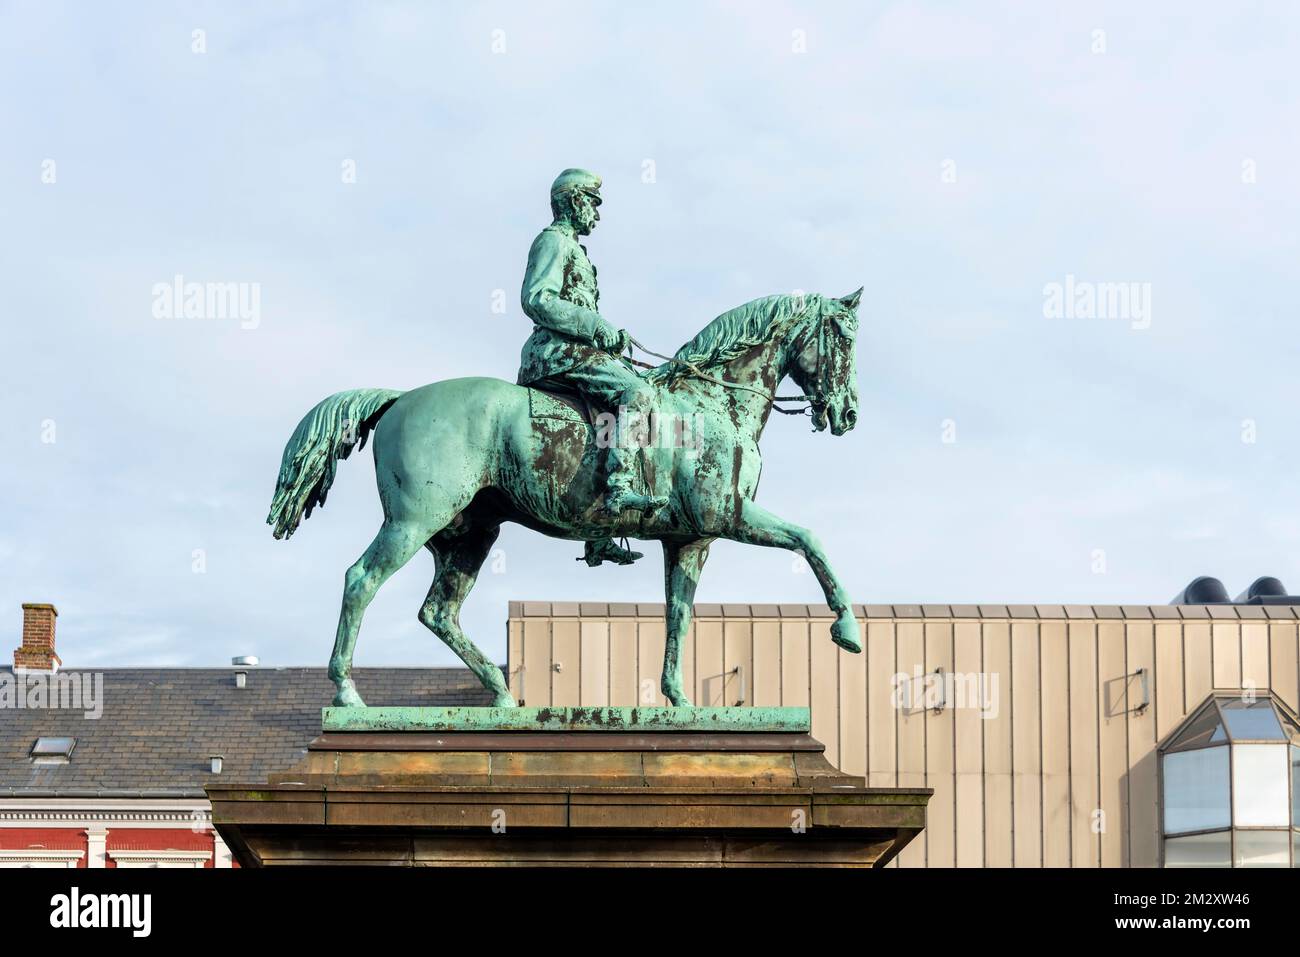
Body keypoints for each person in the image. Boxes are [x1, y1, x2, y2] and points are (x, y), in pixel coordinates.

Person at [517, 168, 668, 566]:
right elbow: (538, 298)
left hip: (570, 349)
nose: (597, 216)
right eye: (594, 204)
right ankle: (619, 488)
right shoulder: (553, 242)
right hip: (555, 351)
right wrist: (597, 327)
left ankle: (597, 530)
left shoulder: (575, 248)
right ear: (574, 201)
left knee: (610, 413)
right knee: (637, 393)